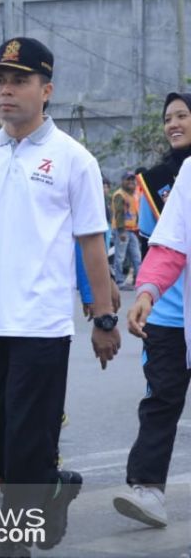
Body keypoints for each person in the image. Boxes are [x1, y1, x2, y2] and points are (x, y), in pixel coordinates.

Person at [0, 37, 120, 555]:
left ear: (46, 89)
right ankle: (51, 488)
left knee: (27, 438)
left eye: (19, 81)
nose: (6, 91)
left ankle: (15, 544)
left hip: (41, 325)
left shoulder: (73, 159)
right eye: (0, 81)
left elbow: (92, 243)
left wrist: (103, 318)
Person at [113, 92, 191, 528]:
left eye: (183, 115)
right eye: (169, 118)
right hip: (168, 314)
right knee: (161, 400)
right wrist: (146, 292)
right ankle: (147, 489)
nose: (173, 123)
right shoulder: (168, 179)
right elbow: (165, 245)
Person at [113, 171, 143, 288]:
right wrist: (121, 231)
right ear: (122, 181)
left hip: (132, 230)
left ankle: (140, 282)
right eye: (128, 180)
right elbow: (119, 214)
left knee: (137, 257)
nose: (131, 182)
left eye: (132, 180)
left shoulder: (133, 195)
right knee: (120, 257)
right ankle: (119, 282)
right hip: (123, 230)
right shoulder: (120, 194)